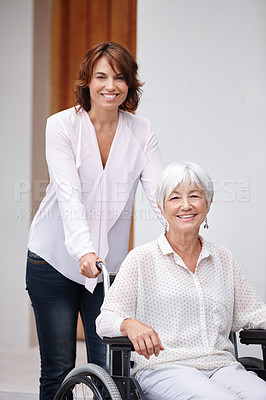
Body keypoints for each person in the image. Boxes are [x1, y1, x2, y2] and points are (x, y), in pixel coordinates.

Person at [26, 41, 163, 400]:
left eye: (120, 77)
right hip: (53, 259)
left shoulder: (142, 131)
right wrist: (83, 249)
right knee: (57, 369)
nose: (110, 86)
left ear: (130, 84)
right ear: (87, 80)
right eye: (101, 76)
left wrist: (181, 233)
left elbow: (160, 193)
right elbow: (68, 193)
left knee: (111, 371)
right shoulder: (61, 126)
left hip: (108, 268)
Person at [96, 161, 266, 400]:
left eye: (195, 196)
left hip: (222, 366)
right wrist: (129, 324)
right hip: (164, 368)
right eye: (175, 198)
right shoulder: (141, 259)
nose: (186, 205)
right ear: (161, 207)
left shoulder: (223, 259)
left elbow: (254, 314)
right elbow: (106, 319)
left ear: (208, 203)